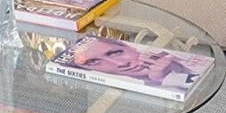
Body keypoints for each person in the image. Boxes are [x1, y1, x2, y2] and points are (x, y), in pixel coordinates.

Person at [71, 37, 200, 92]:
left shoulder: (182, 57)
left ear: (129, 46)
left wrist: (173, 73)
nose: (121, 63)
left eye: (116, 53)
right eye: (94, 62)